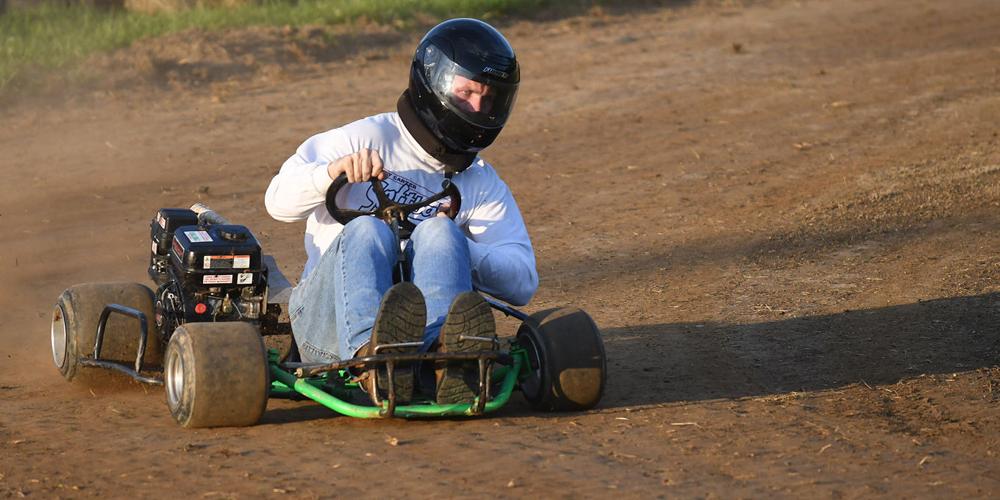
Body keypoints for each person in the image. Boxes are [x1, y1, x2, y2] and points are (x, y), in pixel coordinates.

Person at [264, 18, 537, 405]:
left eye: (488, 99)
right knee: (367, 231)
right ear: (435, 83)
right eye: (467, 93)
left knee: (441, 234)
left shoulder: (480, 181)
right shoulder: (363, 138)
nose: (478, 107)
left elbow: (522, 281)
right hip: (326, 330)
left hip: (425, 342)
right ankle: (371, 360)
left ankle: (446, 360)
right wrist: (331, 173)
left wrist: (458, 244)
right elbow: (276, 203)